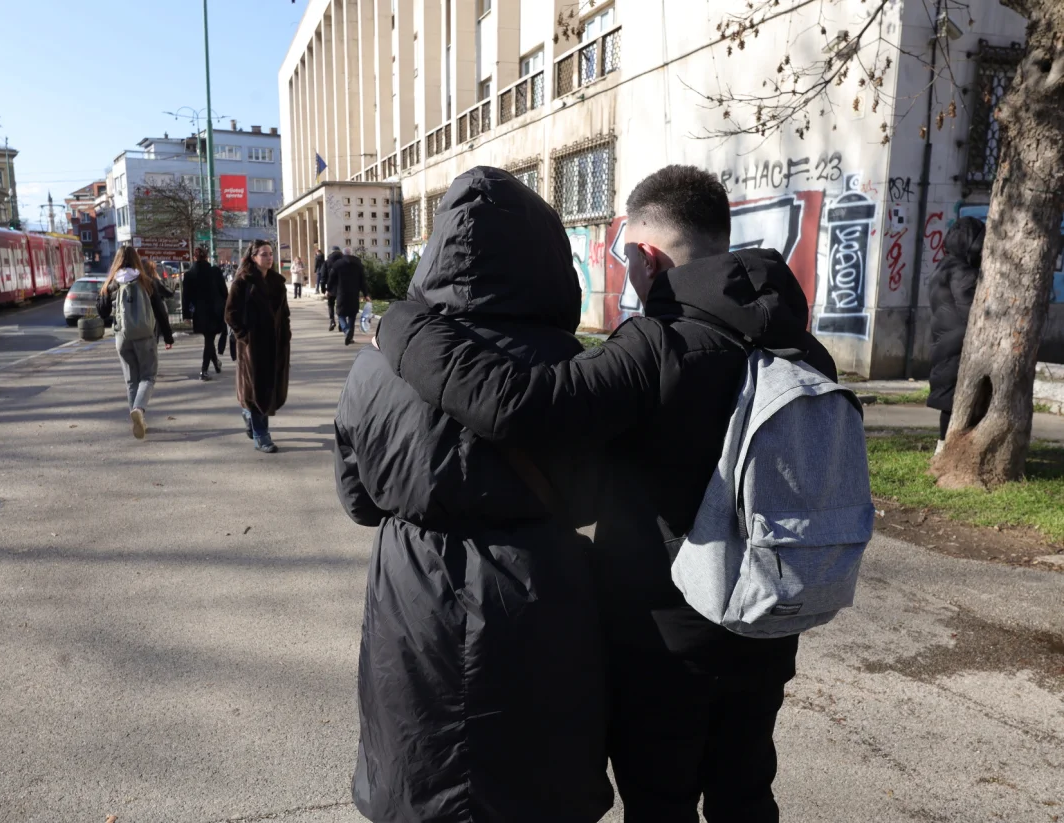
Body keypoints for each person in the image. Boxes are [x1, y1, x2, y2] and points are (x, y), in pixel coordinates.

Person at [375, 165, 839, 823]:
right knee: (745, 792)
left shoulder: (660, 344)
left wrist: (402, 328)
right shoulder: (803, 348)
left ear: (646, 256)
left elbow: (515, 406)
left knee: (660, 801)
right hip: (769, 622)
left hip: (664, 641)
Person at [336, 166, 611, 823]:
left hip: (411, 606)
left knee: (421, 773)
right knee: (533, 790)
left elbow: (358, 500)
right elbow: (594, 495)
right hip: (539, 604)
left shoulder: (376, 371)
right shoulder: (573, 370)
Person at [97, 246, 175, 440]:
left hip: (122, 337)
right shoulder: (147, 282)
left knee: (131, 380)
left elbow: (102, 312)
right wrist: (168, 336)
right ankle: (139, 410)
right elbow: (160, 312)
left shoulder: (111, 283)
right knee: (148, 377)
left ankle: (137, 418)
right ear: (137, 260)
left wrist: (105, 293)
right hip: (146, 336)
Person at [225, 239, 291, 454]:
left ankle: (248, 414)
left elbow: (285, 314)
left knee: (269, 388)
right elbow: (230, 314)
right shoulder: (243, 282)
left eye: (271, 253)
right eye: (264, 254)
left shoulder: (277, 282)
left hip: (276, 345)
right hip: (253, 347)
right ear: (253, 257)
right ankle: (262, 436)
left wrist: (286, 334)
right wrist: (244, 337)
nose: (269, 257)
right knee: (257, 390)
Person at [927, 216, 985, 452]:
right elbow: (971, 311)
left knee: (949, 401)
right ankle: (946, 451)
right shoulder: (963, 273)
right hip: (958, 346)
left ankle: (943, 448)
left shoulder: (943, 267)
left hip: (945, 342)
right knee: (955, 402)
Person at [181, 247, 228, 381]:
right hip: (215, 311)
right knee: (209, 340)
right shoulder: (215, 271)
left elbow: (186, 297)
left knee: (209, 339)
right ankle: (204, 370)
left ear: (194, 258)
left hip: (200, 313)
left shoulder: (189, 274)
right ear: (207, 257)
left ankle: (216, 364)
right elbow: (224, 292)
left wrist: (186, 316)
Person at [332, 247, 369, 345]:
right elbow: (362, 281)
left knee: (340, 314)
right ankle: (350, 337)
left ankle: (346, 330)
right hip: (354, 294)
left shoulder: (337, 264)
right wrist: (366, 294)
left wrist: (328, 290)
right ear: (351, 253)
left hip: (341, 293)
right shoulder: (358, 264)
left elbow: (332, 278)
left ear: (343, 254)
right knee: (352, 315)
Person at [323, 245, 343, 330]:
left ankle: (332, 321)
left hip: (330, 288)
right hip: (342, 288)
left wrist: (324, 289)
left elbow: (323, 276)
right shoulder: (344, 262)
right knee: (340, 306)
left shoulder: (327, 262)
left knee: (330, 305)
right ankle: (341, 324)